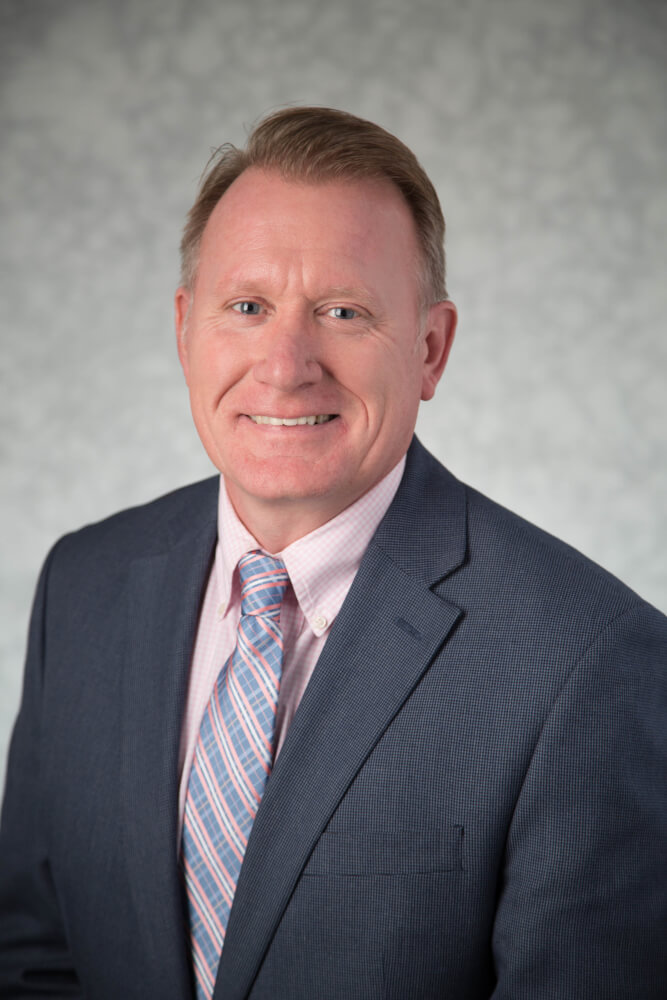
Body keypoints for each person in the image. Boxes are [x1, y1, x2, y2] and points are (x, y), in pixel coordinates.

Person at [0, 107, 665, 1000]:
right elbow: (33, 960)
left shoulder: (589, 662)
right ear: (185, 329)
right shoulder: (84, 586)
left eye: (343, 312)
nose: (285, 366)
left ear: (429, 350)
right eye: (247, 308)